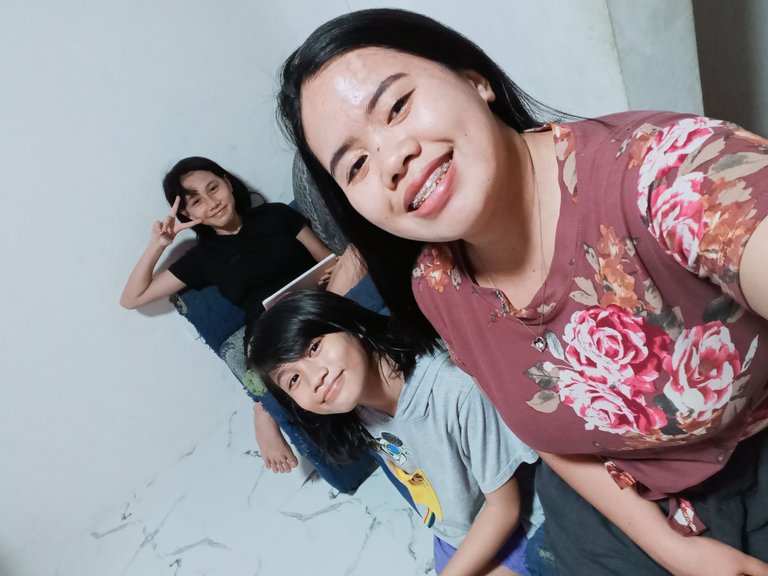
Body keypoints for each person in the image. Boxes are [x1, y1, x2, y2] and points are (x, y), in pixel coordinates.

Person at [275, 8, 768, 576]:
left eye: (398, 105)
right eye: (356, 165)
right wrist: (672, 549)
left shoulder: (669, 174)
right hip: (614, 507)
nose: (392, 160)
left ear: (473, 79)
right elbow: (554, 436)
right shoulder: (436, 284)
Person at [247, 290, 544, 576]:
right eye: (294, 379)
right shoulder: (356, 406)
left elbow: (504, 509)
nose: (316, 378)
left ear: (351, 325)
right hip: (453, 534)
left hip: (517, 528)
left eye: (314, 348)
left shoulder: (453, 389)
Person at [120, 156, 359, 473]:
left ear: (227, 183)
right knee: (271, 347)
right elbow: (132, 298)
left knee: (355, 257)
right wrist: (159, 244)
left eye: (213, 188)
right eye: (196, 201)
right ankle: (266, 409)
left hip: (317, 301)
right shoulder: (202, 259)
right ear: (187, 214)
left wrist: (331, 273)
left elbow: (327, 259)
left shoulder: (276, 215)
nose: (212, 203)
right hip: (268, 330)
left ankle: (268, 400)